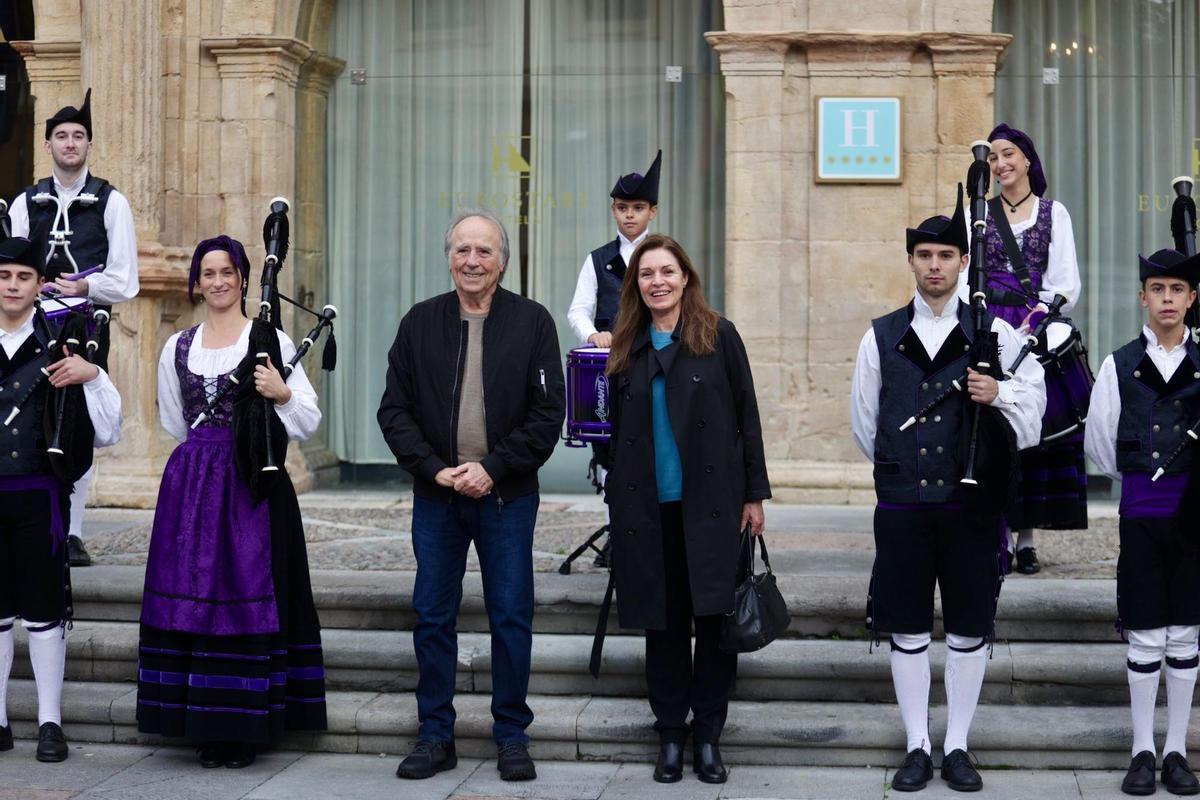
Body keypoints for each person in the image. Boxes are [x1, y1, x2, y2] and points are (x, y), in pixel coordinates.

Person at [852, 192, 1045, 792]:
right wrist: (901, 470)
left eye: (946, 255)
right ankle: (916, 745)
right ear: (910, 261)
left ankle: (957, 745)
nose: (934, 265)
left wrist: (999, 395)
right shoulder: (879, 335)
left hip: (970, 508)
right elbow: (866, 423)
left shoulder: (997, 333)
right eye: (924, 254)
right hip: (904, 506)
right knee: (907, 627)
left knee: (967, 627)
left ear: (964, 261)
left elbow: (1035, 409)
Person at [378, 210, 565, 783]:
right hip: (439, 499)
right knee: (433, 616)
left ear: (502, 261)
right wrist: (436, 471)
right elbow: (394, 411)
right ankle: (436, 735)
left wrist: (492, 468)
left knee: (511, 616)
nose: (472, 261)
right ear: (449, 257)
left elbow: (546, 415)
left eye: (484, 251)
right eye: (463, 250)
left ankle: (511, 735)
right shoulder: (419, 323)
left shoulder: (533, 323)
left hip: (506, 499)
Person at [135, 236, 327, 769]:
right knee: (193, 598)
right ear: (197, 282)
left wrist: (280, 393)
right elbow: (175, 421)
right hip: (194, 486)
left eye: (228, 272)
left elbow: (309, 418)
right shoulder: (176, 346)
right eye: (208, 273)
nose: (218, 281)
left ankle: (242, 728)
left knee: (247, 594)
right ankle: (202, 724)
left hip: (254, 484)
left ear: (244, 279)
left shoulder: (271, 342)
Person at [604, 233, 770, 785]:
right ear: (636, 284)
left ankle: (708, 738)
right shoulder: (626, 342)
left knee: (714, 623)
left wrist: (754, 495)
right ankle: (671, 735)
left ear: (685, 278)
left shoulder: (719, 336)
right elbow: (614, 432)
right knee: (664, 626)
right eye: (647, 274)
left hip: (713, 507)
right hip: (647, 512)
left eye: (667, 272)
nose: (657, 282)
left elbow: (747, 416)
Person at [0, 235, 122, 762]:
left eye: (23, 277)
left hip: (38, 496)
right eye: (4, 277)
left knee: (45, 613)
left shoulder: (61, 342)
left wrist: (91, 375)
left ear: (38, 284)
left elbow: (110, 429)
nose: (12, 286)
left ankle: (50, 723)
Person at [1084, 248, 1200, 797]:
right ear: (1143, 297)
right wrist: (1142, 480)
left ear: (1192, 298)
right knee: (1146, 631)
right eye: (1158, 290)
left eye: (1178, 290)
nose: (1168, 300)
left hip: (1196, 516)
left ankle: (1176, 749)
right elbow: (1102, 444)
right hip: (1142, 512)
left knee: (1185, 633)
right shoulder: (1119, 363)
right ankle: (1141, 750)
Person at [8, 88, 140, 569]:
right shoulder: (26, 201)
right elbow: (13, 265)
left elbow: (126, 279)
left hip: (85, 324)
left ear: (88, 145)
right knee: (32, 416)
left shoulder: (111, 201)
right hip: (33, 324)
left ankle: (73, 533)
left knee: (75, 420)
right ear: (48, 145)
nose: (69, 143)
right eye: (61, 136)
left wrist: (86, 290)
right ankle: (35, 521)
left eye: (78, 136)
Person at [956, 123, 1086, 574]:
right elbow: (959, 271)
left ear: (1027, 160)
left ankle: (1026, 538)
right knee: (986, 431)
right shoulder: (978, 212)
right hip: (986, 327)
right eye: (992, 157)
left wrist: (1037, 320)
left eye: (1008, 154)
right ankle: (996, 534)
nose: (1000, 163)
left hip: (1033, 329)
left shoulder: (1054, 214)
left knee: (1033, 431)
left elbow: (1065, 284)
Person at [565, 150, 662, 564]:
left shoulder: (663, 256)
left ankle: (652, 535)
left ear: (652, 212)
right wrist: (593, 335)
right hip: (613, 373)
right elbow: (577, 310)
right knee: (612, 453)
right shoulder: (597, 259)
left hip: (657, 369)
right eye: (622, 208)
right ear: (613, 211)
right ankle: (619, 532)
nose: (629, 216)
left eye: (638, 208)